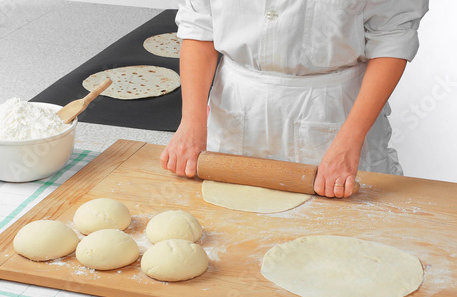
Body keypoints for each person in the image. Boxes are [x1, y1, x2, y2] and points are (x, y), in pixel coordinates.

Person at [160, 0, 429, 198]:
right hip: (235, 107)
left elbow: (391, 39)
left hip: (335, 114)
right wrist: (191, 123)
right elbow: (199, 27)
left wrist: (350, 140)